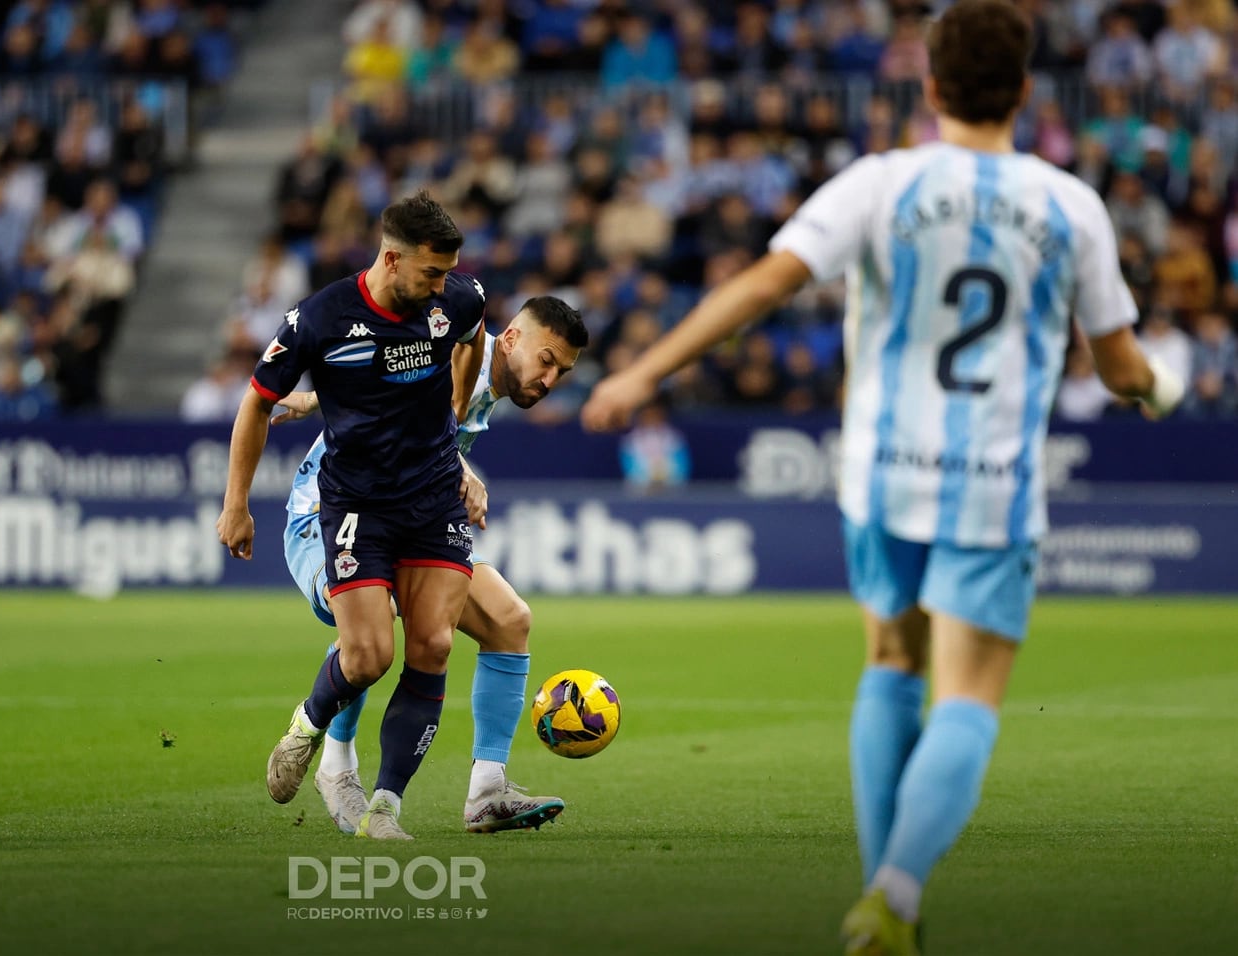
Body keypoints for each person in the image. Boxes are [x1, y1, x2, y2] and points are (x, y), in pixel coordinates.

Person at [580, 3, 1184, 953]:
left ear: (931, 87)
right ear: (1024, 92)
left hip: (881, 475)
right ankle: (894, 896)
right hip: (991, 484)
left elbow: (763, 284)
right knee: (969, 698)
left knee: (890, 665)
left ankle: (881, 898)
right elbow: (1117, 369)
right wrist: (1157, 382)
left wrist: (642, 371)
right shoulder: (1071, 204)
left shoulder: (880, 182)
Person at [216, 192, 485, 840]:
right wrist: (236, 505)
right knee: (367, 657)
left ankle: (385, 807)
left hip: (432, 499)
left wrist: (452, 409)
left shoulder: (460, 301)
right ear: (391, 259)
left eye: (448, 273)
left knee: (434, 644)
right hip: (357, 504)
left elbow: (474, 341)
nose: (441, 286)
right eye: (430, 273)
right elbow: (255, 403)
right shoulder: (321, 318)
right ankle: (308, 726)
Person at [273, 296, 587, 835]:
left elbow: (378, 382)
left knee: (509, 620)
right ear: (510, 339)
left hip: (412, 519)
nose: (552, 378)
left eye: (563, 371)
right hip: (329, 514)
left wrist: (311, 399)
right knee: (375, 625)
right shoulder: (449, 355)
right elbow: (395, 403)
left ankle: (487, 790)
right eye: (547, 360)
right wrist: (463, 468)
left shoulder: (481, 381)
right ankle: (334, 760)